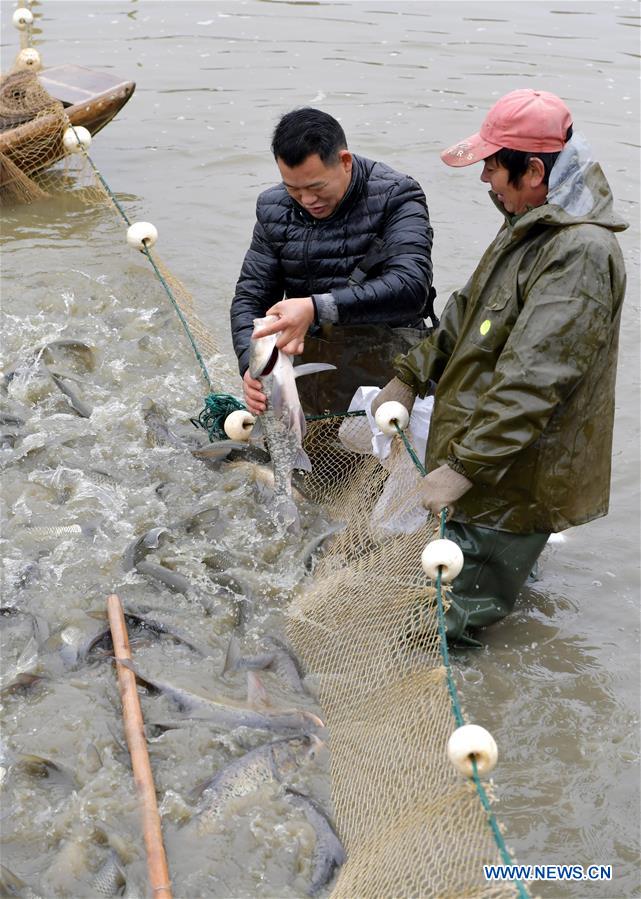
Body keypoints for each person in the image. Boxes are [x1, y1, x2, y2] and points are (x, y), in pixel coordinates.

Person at [373, 88, 627, 644]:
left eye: (493, 164)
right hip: (489, 464)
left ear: (534, 169)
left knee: (437, 634)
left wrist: (463, 468)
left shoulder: (579, 252)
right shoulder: (530, 218)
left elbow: (533, 382)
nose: (485, 177)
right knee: (468, 601)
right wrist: (410, 377)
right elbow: (468, 309)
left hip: (512, 484)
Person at [230, 107, 436, 416]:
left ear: (345, 162)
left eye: (316, 187)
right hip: (314, 370)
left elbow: (410, 287)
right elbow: (251, 298)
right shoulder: (273, 208)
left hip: (391, 372)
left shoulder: (398, 196)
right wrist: (251, 364)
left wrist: (315, 307)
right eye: (293, 188)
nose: (307, 199)